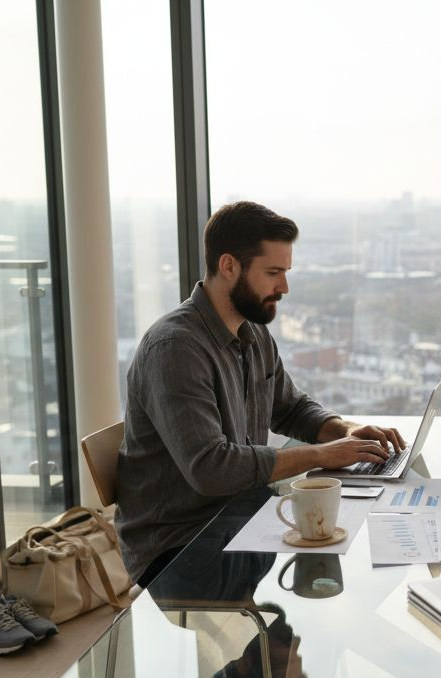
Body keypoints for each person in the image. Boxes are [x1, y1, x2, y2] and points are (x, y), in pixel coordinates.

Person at [116, 201, 405, 586]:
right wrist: (321, 455)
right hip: (181, 545)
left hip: (242, 513)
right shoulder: (175, 349)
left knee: (363, 541)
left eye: (285, 272)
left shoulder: (252, 332)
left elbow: (290, 408)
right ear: (229, 265)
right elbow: (211, 469)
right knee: (344, 574)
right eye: (273, 273)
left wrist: (345, 431)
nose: (283, 287)